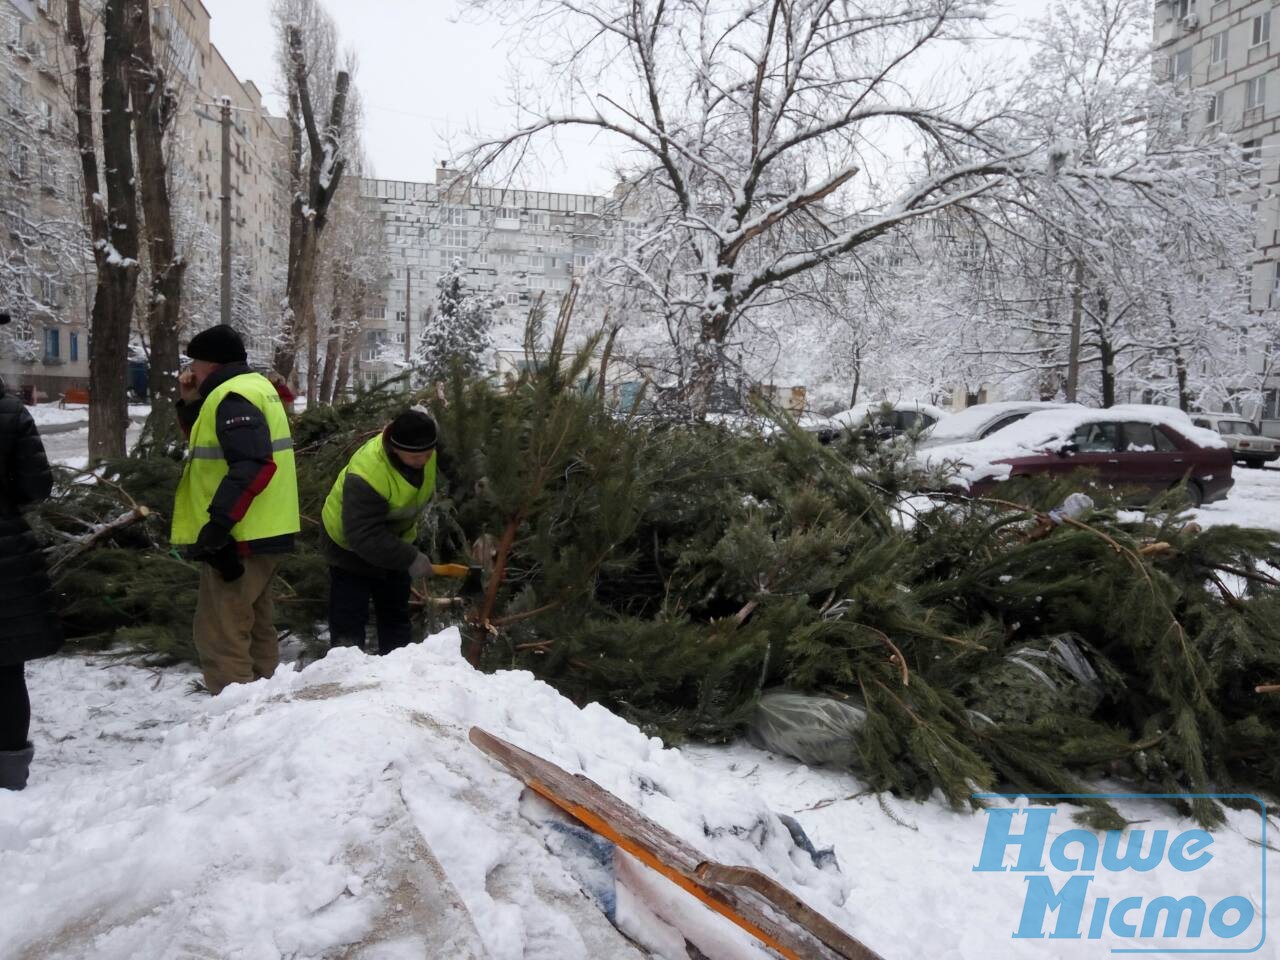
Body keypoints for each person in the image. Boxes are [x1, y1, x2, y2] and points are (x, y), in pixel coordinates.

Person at [171, 324, 300, 695]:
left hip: (240, 533)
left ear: (208, 363)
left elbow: (253, 463)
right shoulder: (254, 389)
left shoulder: (233, 397)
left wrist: (219, 523)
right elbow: (215, 444)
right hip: (265, 529)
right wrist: (191, 400)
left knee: (221, 632)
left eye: (194, 361)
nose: (191, 369)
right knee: (256, 627)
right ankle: (265, 713)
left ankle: (234, 720)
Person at [321, 408, 439, 655]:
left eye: (428, 454)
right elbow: (363, 535)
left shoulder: (425, 448)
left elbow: (446, 458)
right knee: (349, 620)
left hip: (393, 540)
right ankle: (346, 677)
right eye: (416, 457)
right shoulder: (367, 474)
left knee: (396, 615)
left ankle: (398, 673)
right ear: (394, 448)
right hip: (349, 545)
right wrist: (410, 558)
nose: (424, 461)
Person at [0, 371, 62, 790]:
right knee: (5, 668)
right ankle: (8, 774)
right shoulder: (10, 412)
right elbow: (37, 486)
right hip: (4, 554)